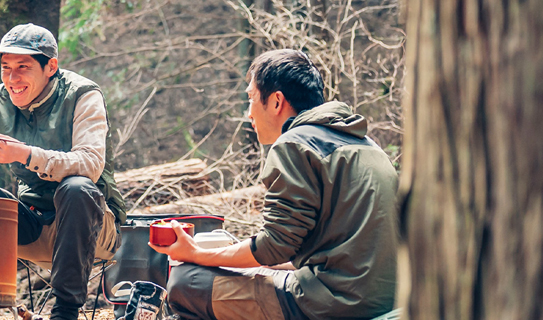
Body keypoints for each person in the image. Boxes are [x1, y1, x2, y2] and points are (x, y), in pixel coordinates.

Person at [154, 49, 397, 320]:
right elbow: (305, 249)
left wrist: (196, 254)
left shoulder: (295, 144)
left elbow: (275, 246)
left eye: (251, 99)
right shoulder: (367, 145)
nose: (249, 114)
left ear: (276, 101)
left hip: (334, 303)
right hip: (386, 298)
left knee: (187, 282)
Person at [0, 24, 129, 320]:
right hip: (31, 223)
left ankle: (64, 312)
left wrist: (24, 155)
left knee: (77, 187)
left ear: (50, 67)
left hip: (92, 228)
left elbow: (91, 164)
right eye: (5, 68)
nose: (12, 79)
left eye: (23, 67)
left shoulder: (83, 94)